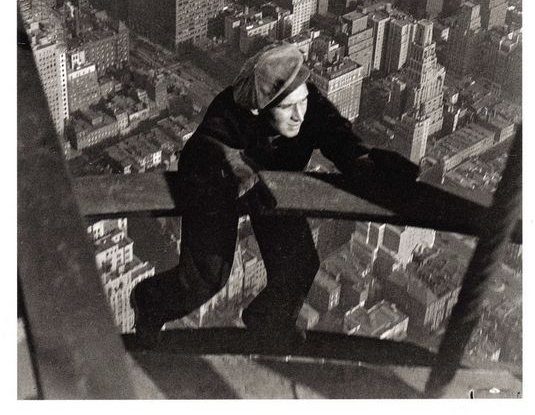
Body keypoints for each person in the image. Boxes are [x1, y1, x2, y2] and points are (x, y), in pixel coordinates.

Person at [130, 43, 419, 347]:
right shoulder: (231, 110)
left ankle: (268, 318)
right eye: (287, 107)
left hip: (273, 190)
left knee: (300, 265)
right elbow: (206, 146)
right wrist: (235, 167)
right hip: (221, 188)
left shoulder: (310, 104)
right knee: (207, 277)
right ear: (261, 108)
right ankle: (149, 301)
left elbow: (338, 136)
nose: (299, 115)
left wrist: (367, 164)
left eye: (302, 102)